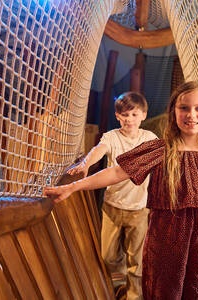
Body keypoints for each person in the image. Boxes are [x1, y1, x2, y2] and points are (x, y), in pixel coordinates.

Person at [44, 81, 198, 300]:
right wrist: (72, 187)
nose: (191, 114)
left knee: (197, 290)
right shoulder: (160, 149)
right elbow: (117, 172)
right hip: (165, 237)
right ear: (174, 112)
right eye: (184, 108)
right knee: (165, 290)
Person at [67, 91, 157, 300]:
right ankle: (119, 284)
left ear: (143, 115)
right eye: (125, 115)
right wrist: (85, 164)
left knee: (137, 258)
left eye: (134, 115)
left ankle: (135, 296)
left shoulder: (149, 139)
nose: (129, 120)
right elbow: (99, 149)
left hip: (138, 209)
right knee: (108, 255)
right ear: (118, 116)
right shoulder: (112, 136)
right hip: (112, 206)